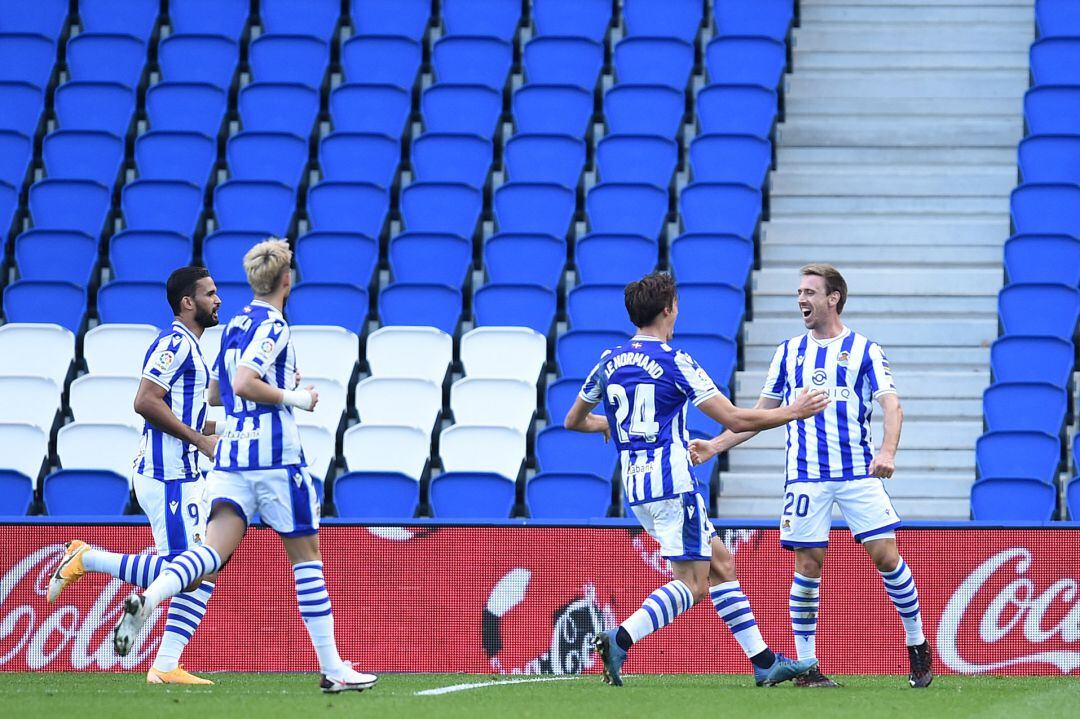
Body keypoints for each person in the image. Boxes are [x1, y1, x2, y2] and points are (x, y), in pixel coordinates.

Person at [110, 238, 377, 693]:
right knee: (307, 559)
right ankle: (333, 667)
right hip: (274, 457)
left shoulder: (235, 324)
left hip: (232, 458)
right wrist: (297, 397)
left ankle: (150, 598)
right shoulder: (274, 325)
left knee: (210, 555)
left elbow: (218, 392)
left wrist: (275, 380)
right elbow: (242, 382)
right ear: (286, 279)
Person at [564, 271, 830, 687]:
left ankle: (764, 662)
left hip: (637, 488)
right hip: (673, 485)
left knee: (721, 564)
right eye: (676, 306)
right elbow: (735, 418)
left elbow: (573, 420)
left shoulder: (608, 361)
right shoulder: (675, 361)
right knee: (692, 585)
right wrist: (792, 411)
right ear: (668, 309)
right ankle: (620, 639)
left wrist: (612, 425)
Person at [690, 264, 933, 689]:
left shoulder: (864, 350)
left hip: (857, 473)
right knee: (807, 565)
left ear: (833, 298)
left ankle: (917, 643)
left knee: (886, 556)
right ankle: (807, 666)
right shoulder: (788, 353)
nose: (801, 299)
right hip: (805, 477)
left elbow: (892, 406)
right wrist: (715, 446)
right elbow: (759, 415)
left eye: (809, 292)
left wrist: (887, 452)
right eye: (799, 293)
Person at [48, 266, 222, 685]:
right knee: (187, 572)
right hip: (168, 475)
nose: (218, 300)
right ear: (187, 302)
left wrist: (227, 433)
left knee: (203, 571)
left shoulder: (192, 347)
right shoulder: (174, 344)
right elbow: (145, 401)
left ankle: (165, 665)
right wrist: (199, 441)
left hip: (184, 473)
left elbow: (187, 413)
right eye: (210, 293)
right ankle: (86, 558)